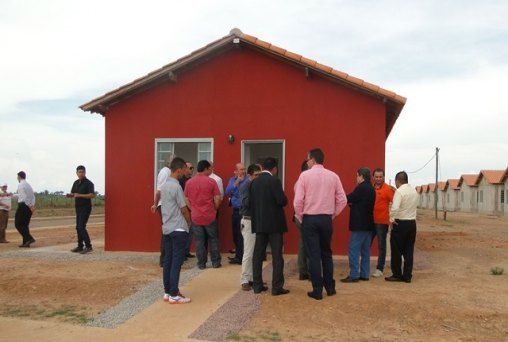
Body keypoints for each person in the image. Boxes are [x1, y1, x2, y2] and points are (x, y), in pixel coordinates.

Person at [294, 148, 347, 300]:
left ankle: (317, 290)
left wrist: (301, 216)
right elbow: (342, 200)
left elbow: (298, 201)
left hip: (310, 218)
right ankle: (330, 287)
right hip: (326, 218)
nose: (307, 162)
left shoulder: (304, 176)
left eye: (308, 159)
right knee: (326, 253)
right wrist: (333, 214)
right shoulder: (333, 176)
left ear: (312, 160)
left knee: (314, 255)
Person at [250, 157, 290, 296]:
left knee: (257, 255)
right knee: (277, 256)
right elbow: (281, 201)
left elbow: (251, 203)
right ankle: (277, 287)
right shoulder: (275, 181)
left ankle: (257, 285)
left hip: (260, 223)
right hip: (274, 224)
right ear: (274, 168)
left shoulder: (254, 182)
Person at [160, 157, 193, 304]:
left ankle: (168, 292)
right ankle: (174, 294)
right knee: (176, 262)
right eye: (184, 169)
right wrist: (189, 222)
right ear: (178, 169)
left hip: (167, 227)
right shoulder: (177, 186)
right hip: (178, 227)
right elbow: (183, 208)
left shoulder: (165, 185)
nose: (185, 172)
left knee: (168, 260)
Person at [184, 160, 222, 269]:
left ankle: (201, 263)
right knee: (213, 239)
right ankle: (215, 262)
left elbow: (186, 198)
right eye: (210, 168)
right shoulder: (211, 182)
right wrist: (214, 209)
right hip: (209, 214)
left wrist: (192, 209)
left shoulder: (189, 182)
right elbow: (217, 197)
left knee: (199, 240)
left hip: (196, 216)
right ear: (205, 168)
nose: (211, 170)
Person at [341, 167, 376, 283]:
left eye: (357, 175)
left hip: (359, 224)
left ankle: (354, 274)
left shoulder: (361, 188)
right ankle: (365, 274)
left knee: (354, 249)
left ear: (361, 176)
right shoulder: (371, 188)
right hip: (369, 223)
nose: (356, 178)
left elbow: (349, 198)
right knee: (366, 250)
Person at [385, 171, 419, 283]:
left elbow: (394, 208)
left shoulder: (399, 191)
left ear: (397, 181)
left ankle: (397, 274)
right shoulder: (414, 191)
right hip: (412, 223)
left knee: (396, 250)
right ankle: (407, 275)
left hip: (400, 223)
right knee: (409, 250)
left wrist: (391, 219)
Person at [238, 164, 261, 291]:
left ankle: (252, 278)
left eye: (259, 175)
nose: (258, 177)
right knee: (248, 251)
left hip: (254, 220)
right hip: (248, 220)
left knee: (254, 251)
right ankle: (244, 279)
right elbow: (246, 202)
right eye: (256, 175)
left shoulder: (254, 185)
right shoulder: (246, 186)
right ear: (249, 175)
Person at [371, 168, 395, 278]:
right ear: (373, 177)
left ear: (384, 177)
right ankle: (363, 267)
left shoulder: (387, 189)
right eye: (376, 177)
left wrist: (393, 218)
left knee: (381, 246)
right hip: (370, 222)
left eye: (380, 177)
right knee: (366, 244)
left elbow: (395, 202)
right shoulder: (370, 188)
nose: (378, 179)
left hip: (382, 222)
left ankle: (380, 268)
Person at [151, 153, 174, 267]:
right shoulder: (165, 172)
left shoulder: (168, 172)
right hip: (164, 205)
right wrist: (155, 204)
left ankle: (167, 258)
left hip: (167, 205)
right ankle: (164, 259)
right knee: (166, 232)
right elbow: (159, 191)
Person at [67, 165, 96, 254]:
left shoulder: (89, 183)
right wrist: (70, 195)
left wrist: (79, 195)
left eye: (83, 172)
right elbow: (73, 193)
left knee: (81, 227)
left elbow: (92, 195)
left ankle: (88, 246)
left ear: (85, 173)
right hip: (78, 207)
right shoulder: (75, 183)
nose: (81, 173)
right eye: (79, 172)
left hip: (86, 207)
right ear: (76, 173)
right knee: (78, 227)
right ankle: (80, 246)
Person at [225, 163, 248, 265]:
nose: (243, 171)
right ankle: (238, 255)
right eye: (241, 169)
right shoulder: (232, 180)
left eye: (244, 169)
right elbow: (227, 191)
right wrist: (237, 182)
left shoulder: (248, 180)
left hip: (244, 210)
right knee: (235, 233)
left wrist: (235, 192)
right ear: (236, 171)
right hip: (235, 210)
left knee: (242, 235)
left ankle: (242, 257)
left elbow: (242, 193)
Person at [293, 160, 310, 280]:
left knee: (303, 243)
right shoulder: (306, 182)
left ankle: (303, 270)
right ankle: (308, 270)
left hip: (299, 216)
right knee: (310, 243)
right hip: (305, 216)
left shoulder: (298, 182)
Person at [13, 171, 36, 247]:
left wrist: (30, 206)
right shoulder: (28, 185)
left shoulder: (20, 185)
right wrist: (32, 205)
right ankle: (26, 242)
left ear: (19, 177)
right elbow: (32, 196)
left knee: (18, 224)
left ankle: (29, 238)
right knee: (24, 224)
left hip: (24, 206)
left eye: (17, 177)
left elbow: (24, 197)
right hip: (28, 207)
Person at [179, 161, 195, 259]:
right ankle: (182, 252)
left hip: (191, 208)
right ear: (184, 169)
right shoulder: (181, 181)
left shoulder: (191, 180)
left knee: (190, 231)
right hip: (184, 208)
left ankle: (186, 251)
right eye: (189, 168)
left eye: (192, 168)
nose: (191, 170)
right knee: (184, 230)